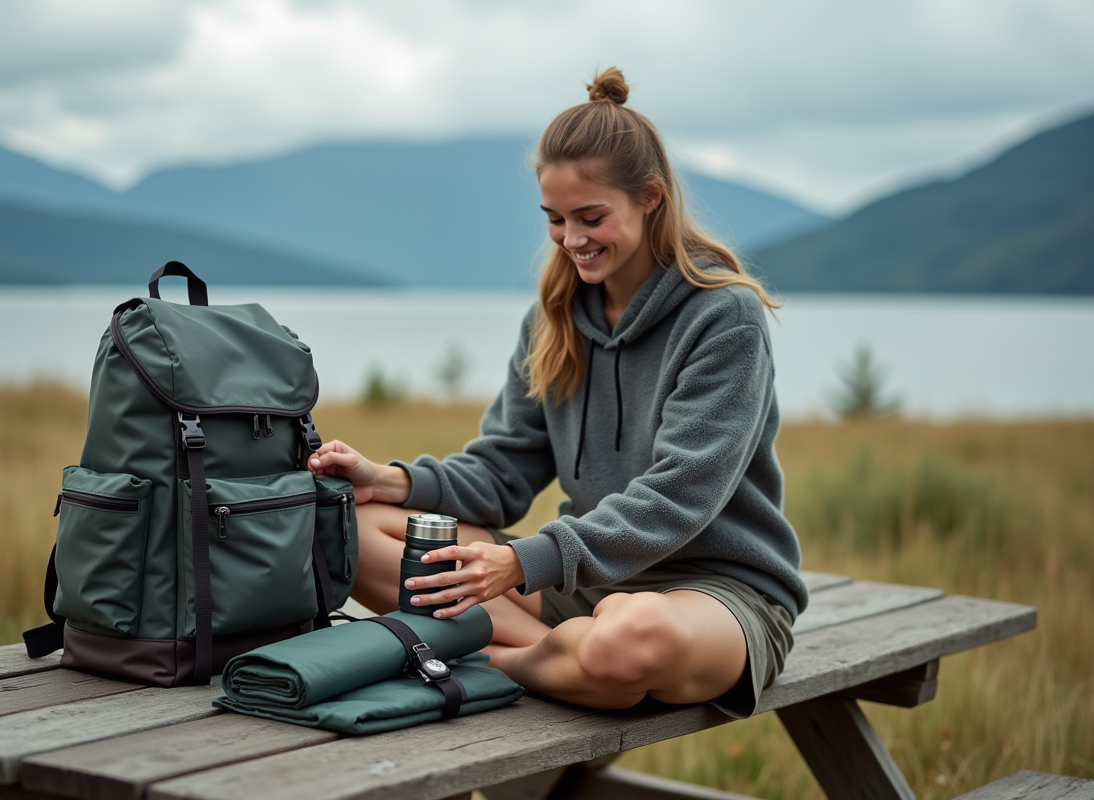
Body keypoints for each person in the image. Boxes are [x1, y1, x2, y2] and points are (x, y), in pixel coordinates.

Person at [309, 67, 807, 717]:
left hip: (713, 596)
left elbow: (679, 496)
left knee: (625, 642)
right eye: (554, 219)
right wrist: (390, 480)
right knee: (350, 524)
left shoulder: (723, 317)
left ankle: (486, 659)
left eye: (591, 217)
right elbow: (503, 471)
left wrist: (518, 563)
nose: (572, 240)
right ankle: (561, 659)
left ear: (650, 197)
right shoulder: (554, 318)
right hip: (580, 585)